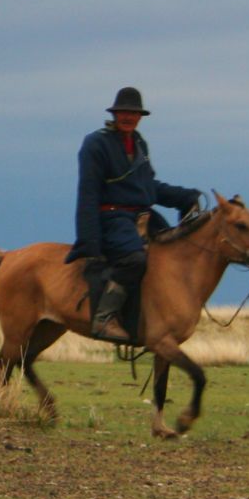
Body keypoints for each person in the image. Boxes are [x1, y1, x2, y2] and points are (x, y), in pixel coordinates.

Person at [66, 87, 203, 343]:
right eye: (123, 112)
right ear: (115, 114)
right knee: (135, 260)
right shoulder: (96, 143)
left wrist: (185, 197)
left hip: (142, 218)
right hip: (112, 219)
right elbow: (88, 194)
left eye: (133, 113)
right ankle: (104, 318)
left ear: (140, 116)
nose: (128, 117)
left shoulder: (139, 143)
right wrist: (89, 242)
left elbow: (148, 187)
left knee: (170, 255)